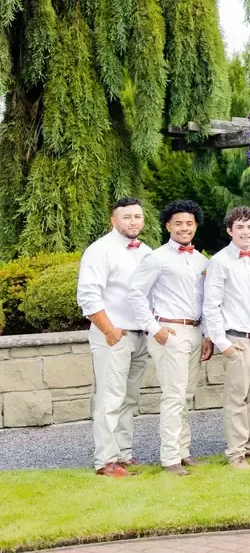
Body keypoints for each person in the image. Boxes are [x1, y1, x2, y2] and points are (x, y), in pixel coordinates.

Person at [128, 200, 209, 476]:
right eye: (178, 223)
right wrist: (154, 328)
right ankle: (170, 458)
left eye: (189, 223)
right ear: (168, 226)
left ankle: (183, 452)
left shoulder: (201, 261)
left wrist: (207, 335)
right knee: (174, 395)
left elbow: (206, 301)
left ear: (195, 226)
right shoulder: (157, 258)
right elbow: (136, 293)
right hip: (170, 332)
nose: (184, 228)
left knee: (187, 394)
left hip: (195, 331)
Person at [76, 197, 153, 478]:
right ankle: (106, 461)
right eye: (126, 217)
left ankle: (123, 454)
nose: (133, 221)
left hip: (139, 335)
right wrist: (109, 330)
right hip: (113, 335)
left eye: (137, 216)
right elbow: (88, 295)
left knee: (129, 398)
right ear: (113, 220)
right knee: (110, 398)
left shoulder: (146, 252)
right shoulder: (100, 250)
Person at [202, 207, 250, 470]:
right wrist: (223, 344)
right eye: (240, 227)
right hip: (236, 340)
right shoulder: (220, 262)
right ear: (229, 230)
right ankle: (235, 454)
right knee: (237, 400)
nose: (246, 232)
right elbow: (211, 305)